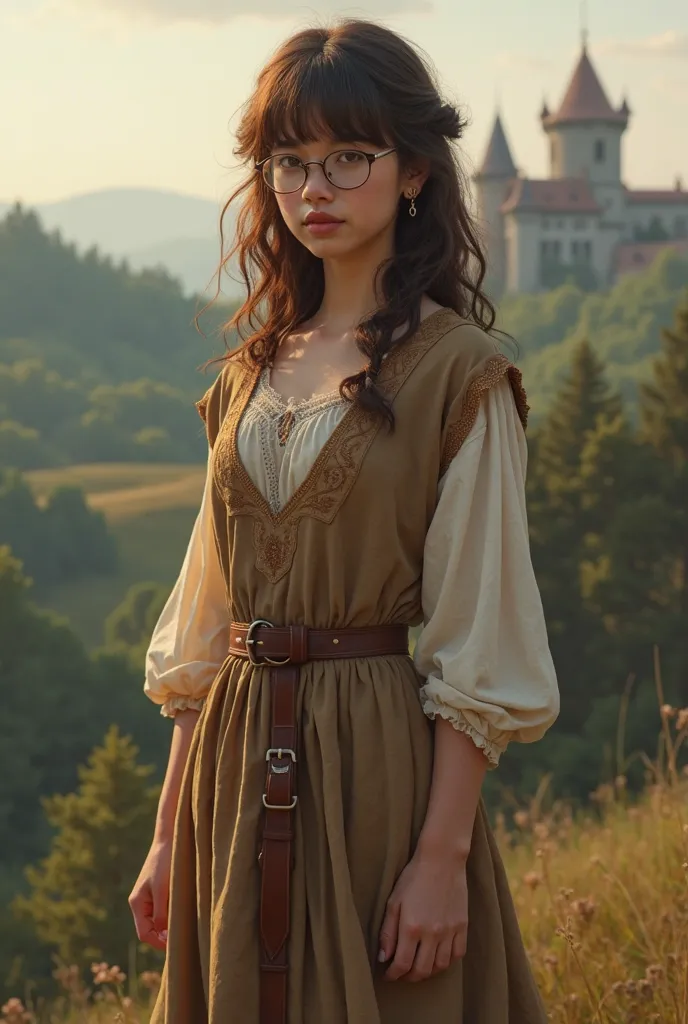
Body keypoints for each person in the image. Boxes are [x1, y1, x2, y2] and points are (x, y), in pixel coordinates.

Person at [128, 18, 560, 1024]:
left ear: (412, 171)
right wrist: (164, 833)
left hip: (376, 771)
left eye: (347, 158)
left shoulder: (462, 375)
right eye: (289, 161)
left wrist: (442, 858)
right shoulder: (244, 375)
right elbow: (204, 631)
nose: (312, 188)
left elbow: (477, 637)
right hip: (230, 772)